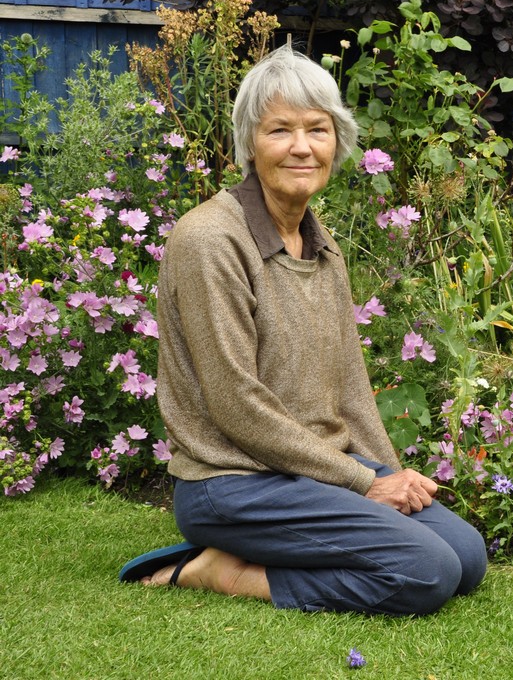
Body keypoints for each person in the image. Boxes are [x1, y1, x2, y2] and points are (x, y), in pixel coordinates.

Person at [119, 44, 487, 615]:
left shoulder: (320, 244)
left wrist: (393, 478)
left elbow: (349, 385)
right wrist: (363, 484)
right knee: (427, 571)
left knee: (466, 555)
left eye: (317, 129)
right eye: (279, 130)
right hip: (233, 483)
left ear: (336, 141)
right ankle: (220, 570)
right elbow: (235, 403)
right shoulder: (210, 241)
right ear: (250, 143)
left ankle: (294, 545)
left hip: (313, 473)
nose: (301, 146)